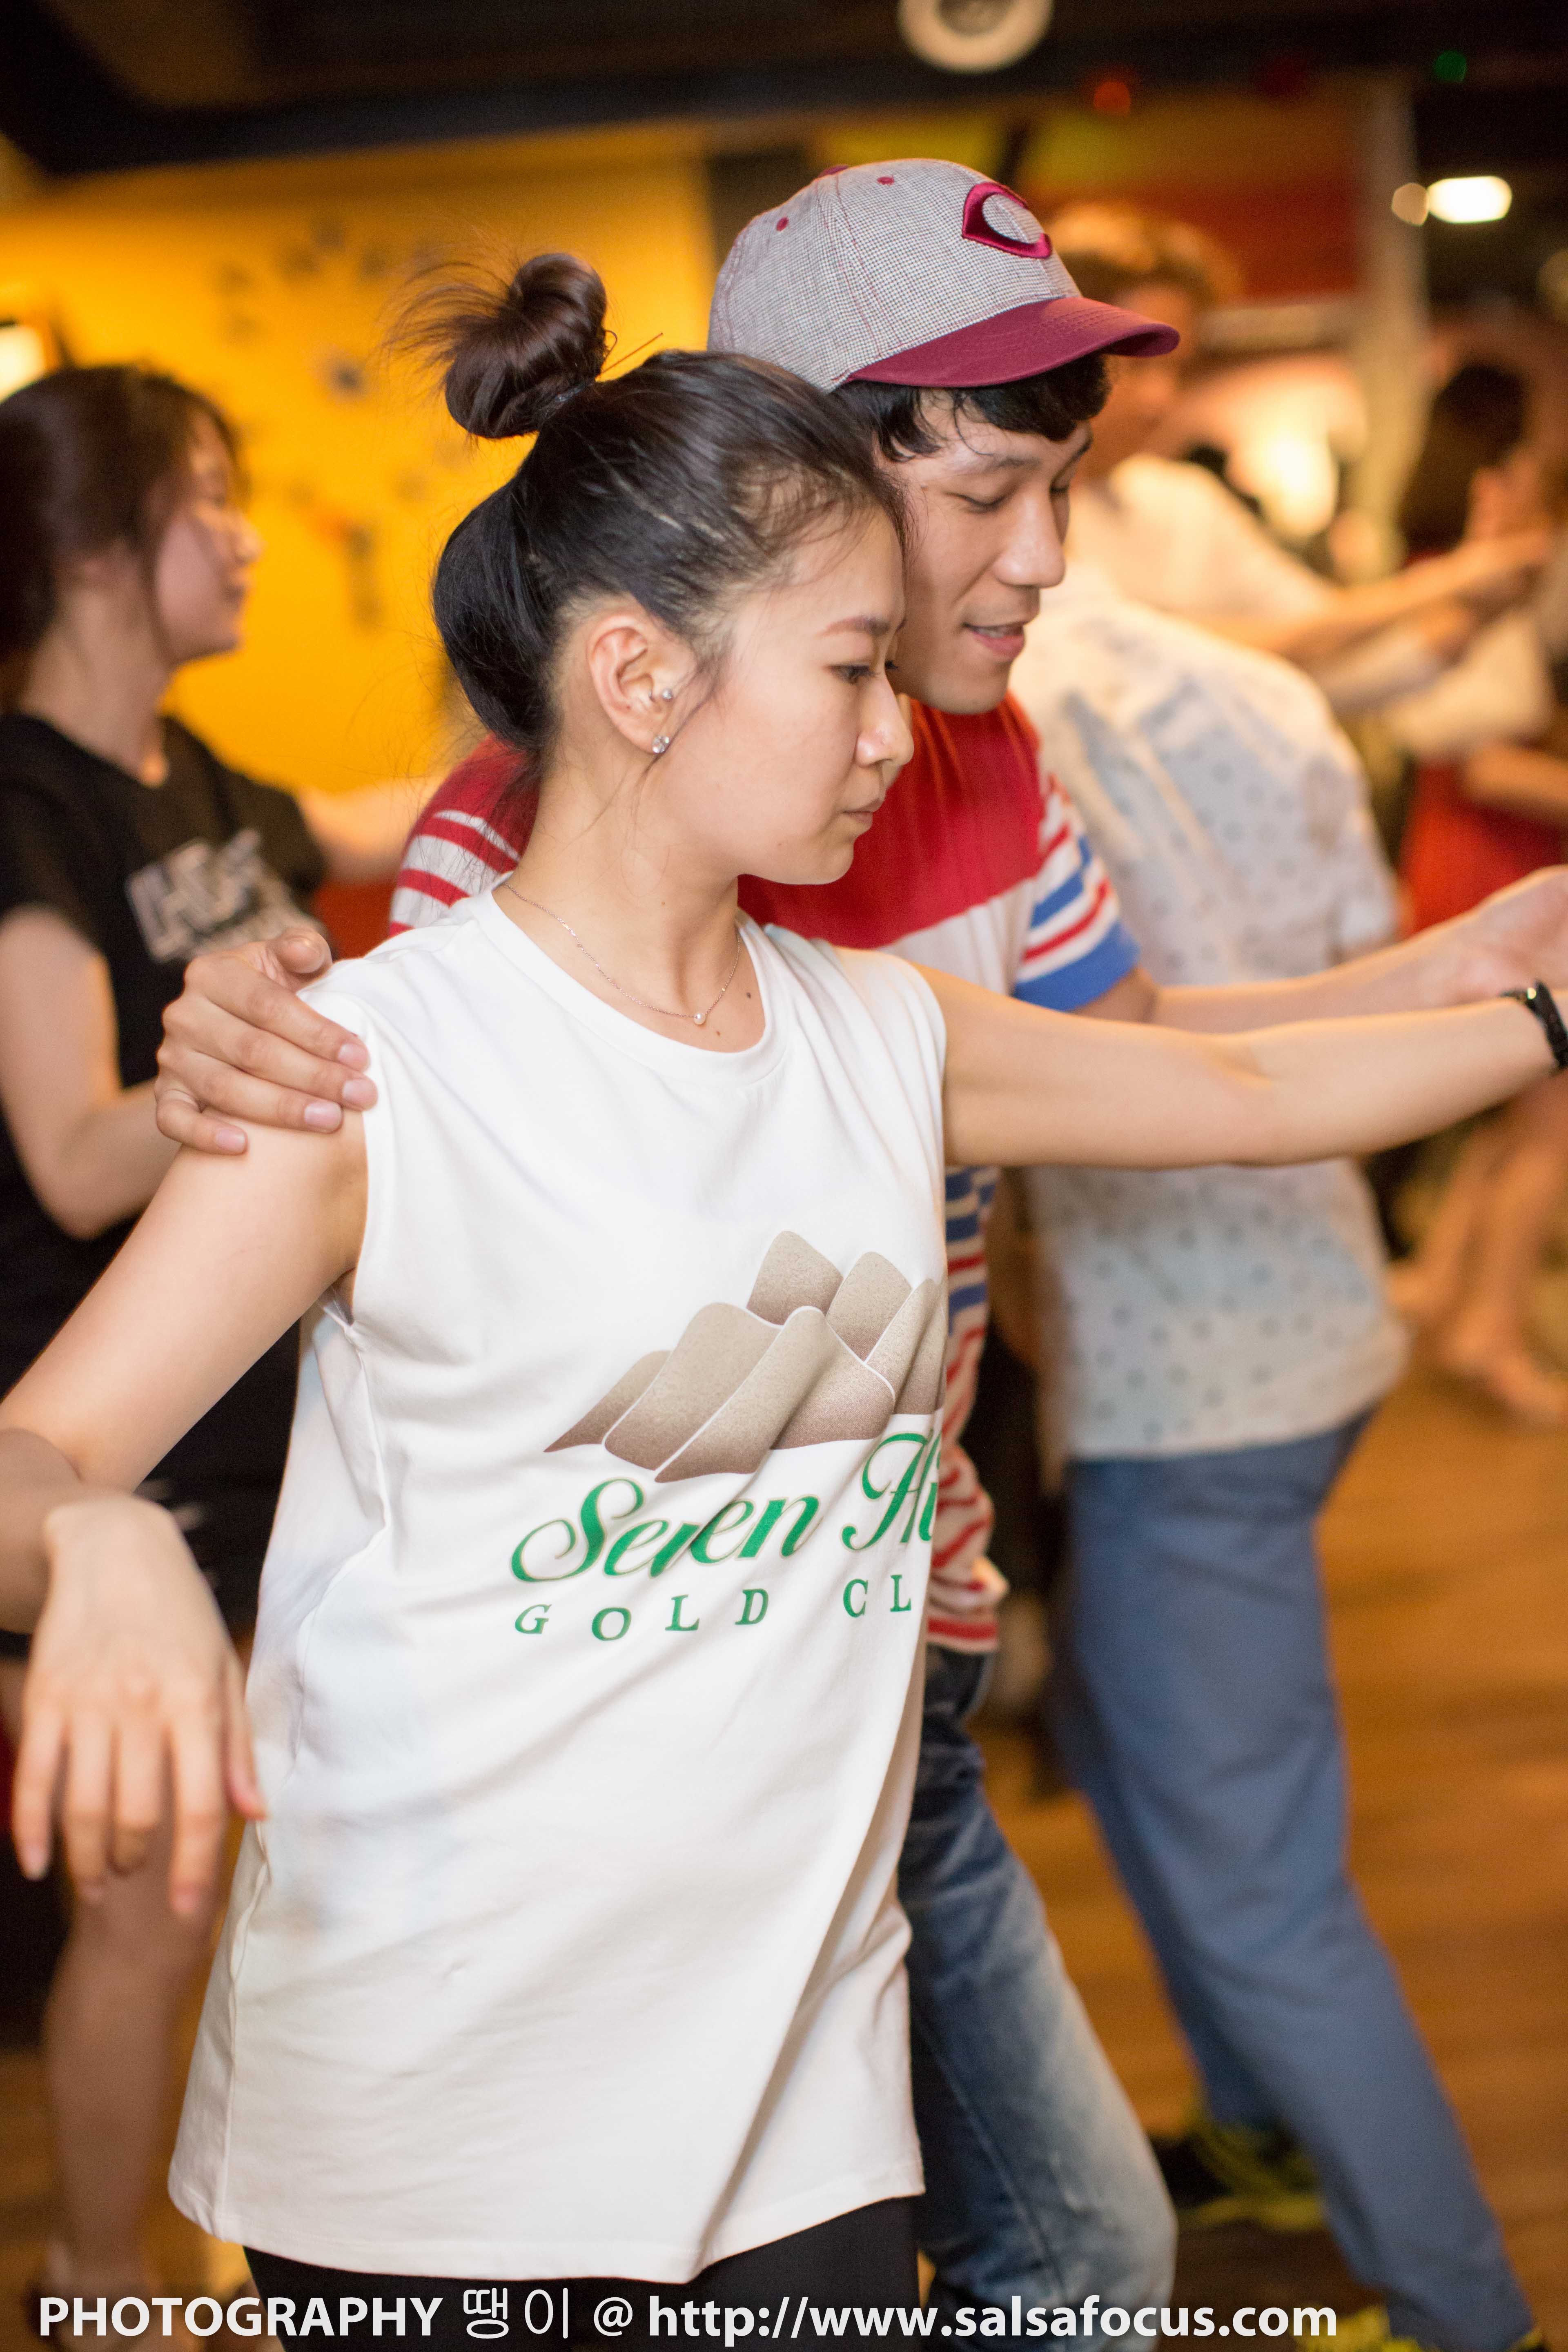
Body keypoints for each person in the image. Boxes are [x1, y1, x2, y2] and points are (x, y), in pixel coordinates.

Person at [4, 248, 1565, 2342]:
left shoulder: (880, 1029)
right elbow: (31, 1456)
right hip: (441, 2123)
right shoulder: (373, 1072)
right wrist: (103, 1543)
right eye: (848, 669)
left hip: (802, 2103)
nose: (894, 727)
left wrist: (1534, 1002)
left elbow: (1250, 1092)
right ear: (641, 680)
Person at [1004, 559, 1547, 2345]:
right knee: (1144, 1755)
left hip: (1179, 1363)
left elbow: (1074, 1049)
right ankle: (1265, 2133)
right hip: (1298, 1295)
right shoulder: (1264, 690)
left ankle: (1461, 2308)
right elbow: (1338, 953)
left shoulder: (991, 718)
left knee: (1253, 1873)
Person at [0, 361, 406, 2333]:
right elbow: (76, 1154)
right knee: (153, 1901)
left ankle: (203, 2256)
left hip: (269, 1423)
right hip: (101, 1433)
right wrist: (238, 1067)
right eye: (213, 502)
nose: (246, 540)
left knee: (243, 1882)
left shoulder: (209, 775)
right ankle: (103, 2286)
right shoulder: (26, 806)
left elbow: (390, 818)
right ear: (97, 548)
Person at [1044, 203, 1551, 715]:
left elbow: (1327, 663)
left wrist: (1480, 605)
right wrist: (1450, 580)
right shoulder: (1023, 515)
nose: (1161, 400)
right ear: (1058, 353)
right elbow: (1172, 653)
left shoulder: (1182, 502)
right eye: (1130, 367)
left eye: (1179, 370)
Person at [1384, 367, 1568, 1421]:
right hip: (1500, 865)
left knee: (1517, 1107)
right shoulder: (1473, 584)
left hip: (1468, 859)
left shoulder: (1431, 572)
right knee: (1551, 1119)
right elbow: (1492, 763)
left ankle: (1453, 1292)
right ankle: (1490, 1329)